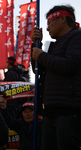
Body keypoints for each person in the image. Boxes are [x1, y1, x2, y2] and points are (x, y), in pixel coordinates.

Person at [31, 5, 81, 150]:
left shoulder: (77, 36)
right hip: (50, 111)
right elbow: (37, 69)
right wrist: (35, 44)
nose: (47, 29)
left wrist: (41, 55)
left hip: (68, 111)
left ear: (63, 19)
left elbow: (71, 64)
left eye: (49, 23)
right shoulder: (54, 45)